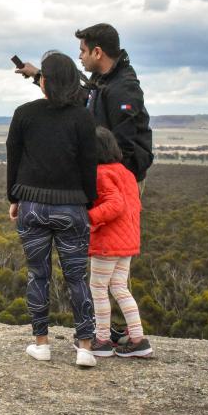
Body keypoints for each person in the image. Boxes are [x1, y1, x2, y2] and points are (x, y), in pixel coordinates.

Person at [7, 51, 98, 368]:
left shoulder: (24, 114)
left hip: (31, 204)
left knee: (38, 275)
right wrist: (88, 201)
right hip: (72, 206)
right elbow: (90, 166)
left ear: (43, 80)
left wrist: (13, 198)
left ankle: (41, 343)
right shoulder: (83, 118)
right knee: (77, 278)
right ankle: (85, 347)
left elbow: (14, 160)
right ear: (72, 82)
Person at [15, 23, 153, 193]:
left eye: (83, 51)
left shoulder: (123, 89)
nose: (80, 56)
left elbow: (122, 146)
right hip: (107, 175)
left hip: (120, 180)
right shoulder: (103, 78)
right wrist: (39, 75)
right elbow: (79, 96)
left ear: (97, 52)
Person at [85, 127, 153, 358]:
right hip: (127, 241)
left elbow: (115, 205)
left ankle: (102, 339)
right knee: (119, 288)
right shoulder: (125, 173)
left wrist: (88, 219)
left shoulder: (100, 173)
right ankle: (138, 339)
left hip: (108, 242)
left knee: (98, 288)